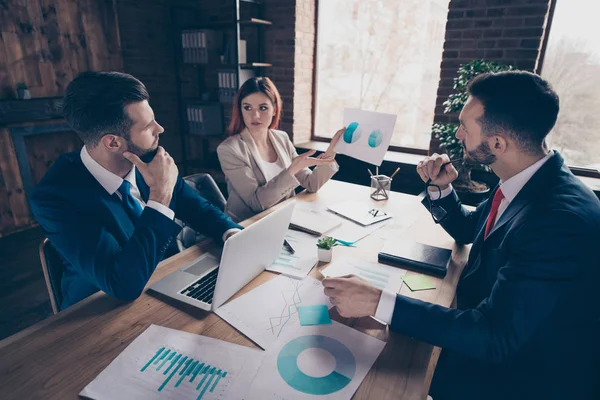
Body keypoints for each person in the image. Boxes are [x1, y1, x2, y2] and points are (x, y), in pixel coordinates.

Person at [322, 71, 600, 400]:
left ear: (498, 143)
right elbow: (473, 229)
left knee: (381, 377)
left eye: (465, 127)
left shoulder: (558, 221)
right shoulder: (527, 176)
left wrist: (376, 301)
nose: (458, 134)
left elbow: (495, 335)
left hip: (523, 376)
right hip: (495, 333)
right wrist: (442, 189)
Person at [31, 71, 242, 310]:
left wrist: (231, 233)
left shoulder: (148, 157)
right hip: (100, 312)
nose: (160, 129)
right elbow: (124, 285)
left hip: (166, 284)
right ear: (113, 142)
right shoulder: (56, 198)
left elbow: (198, 209)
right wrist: (160, 196)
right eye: (148, 126)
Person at [217, 77, 344, 222]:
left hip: (282, 219)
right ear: (240, 110)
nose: (255, 115)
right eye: (247, 108)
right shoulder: (229, 150)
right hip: (247, 227)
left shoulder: (281, 138)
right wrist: (291, 170)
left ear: (274, 109)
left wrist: (331, 151)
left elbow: (311, 184)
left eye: (263, 108)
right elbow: (257, 203)